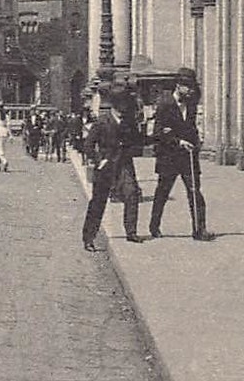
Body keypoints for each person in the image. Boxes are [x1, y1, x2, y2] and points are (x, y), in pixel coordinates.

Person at [83, 80, 145, 249]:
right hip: (106, 166)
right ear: (114, 105)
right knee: (98, 202)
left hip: (124, 165)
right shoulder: (102, 122)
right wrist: (98, 160)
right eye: (121, 105)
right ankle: (89, 238)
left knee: (132, 194)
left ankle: (131, 232)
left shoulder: (129, 122)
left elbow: (138, 141)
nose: (124, 109)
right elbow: (88, 145)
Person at [150, 67, 210, 240]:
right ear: (178, 86)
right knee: (162, 192)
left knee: (194, 191)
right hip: (168, 157)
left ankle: (199, 229)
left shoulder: (191, 105)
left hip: (188, 157)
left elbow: (191, 128)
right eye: (187, 87)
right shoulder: (164, 104)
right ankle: (154, 227)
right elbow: (158, 133)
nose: (191, 91)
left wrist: (196, 141)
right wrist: (178, 141)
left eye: (192, 87)